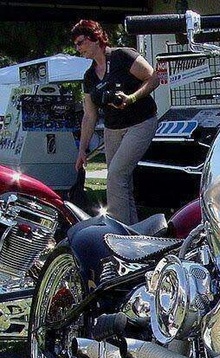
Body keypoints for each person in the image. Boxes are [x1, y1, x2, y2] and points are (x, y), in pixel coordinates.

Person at [72, 19, 159, 225]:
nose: (78, 48)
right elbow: (89, 115)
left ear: (95, 38)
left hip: (140, 122)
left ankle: (117, 228)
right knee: (121, 181)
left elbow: (153, 78)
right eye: (75, 45)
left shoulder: (122, 56)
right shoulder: (89, 76)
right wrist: (82, 150)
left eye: (81, 42)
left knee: (116, 175)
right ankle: (133, 230)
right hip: (112, 129)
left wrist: (132, 98)